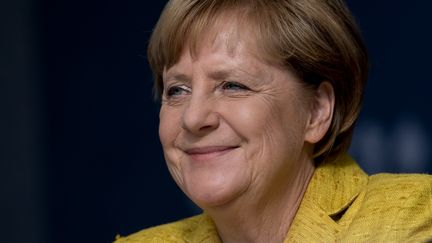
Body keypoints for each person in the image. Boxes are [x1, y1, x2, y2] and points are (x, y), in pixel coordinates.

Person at [115, 0, 432, 242]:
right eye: (177, 90)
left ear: (316, 111)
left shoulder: (415, 221)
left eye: (232, 85)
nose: (193, 117)